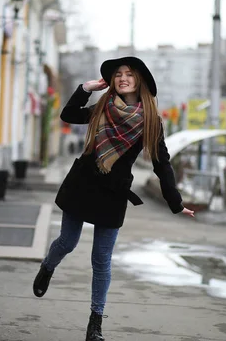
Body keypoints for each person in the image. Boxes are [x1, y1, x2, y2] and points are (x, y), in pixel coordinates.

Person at [32, 57, 195, 341]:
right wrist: (86, 88)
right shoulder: (102, 108)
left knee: (101, 259)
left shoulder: (150, 120)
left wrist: (176, 202)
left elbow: (162, 163)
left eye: (128, 74)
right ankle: (48, 266)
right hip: (82, 185)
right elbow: (68, 115)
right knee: (67, 243)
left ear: (139, 80)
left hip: (113, 193)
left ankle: (95, 323)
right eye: (118, 74)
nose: (122, 78)